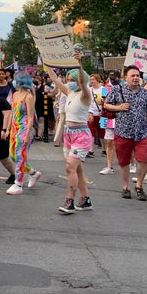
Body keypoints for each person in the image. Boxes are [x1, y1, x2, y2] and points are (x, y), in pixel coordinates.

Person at [45, 53, 93, 214]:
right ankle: (85, 199)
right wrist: (46, 58)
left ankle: (70, 200)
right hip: (68, 134)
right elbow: (53, 78)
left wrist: (79, 63)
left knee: (69, 167)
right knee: (77, 169)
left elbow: (82, 82)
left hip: (81, 136)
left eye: (73, 80)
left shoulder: (85, 95)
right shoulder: (69, 92)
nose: (70, 82)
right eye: (69, 79)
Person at [103, 65, 147, 201]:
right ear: (125, 77)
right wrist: (118, 107)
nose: (136, 78)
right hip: (123, 132)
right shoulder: (117, 89)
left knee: (144, 158)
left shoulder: (145, 93)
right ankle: (126, 187)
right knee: (123, 161)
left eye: (137, 75)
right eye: (133, 75)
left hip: (142, 132)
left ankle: (139, 185)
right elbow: (106, 104)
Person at [6, 71, 42, 195]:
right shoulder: (15, 94)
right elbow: (12, 113)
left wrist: (27, 134)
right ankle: (33, 173)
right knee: (12, 155)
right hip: (14, 129)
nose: (13, 81)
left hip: (24, 129)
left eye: (16, 79)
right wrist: (7, 129)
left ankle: (18, 183)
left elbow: (31, 117)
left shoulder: (29, 96)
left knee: (20, 156)